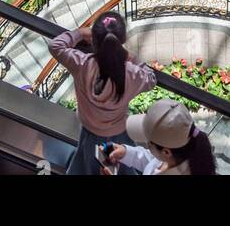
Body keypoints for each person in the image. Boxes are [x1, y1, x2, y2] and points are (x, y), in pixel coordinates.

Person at [47, 13, 156, 176]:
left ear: (93, 40)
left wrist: (80, 33)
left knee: (93, 167)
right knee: (119, 167)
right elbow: (151, 78)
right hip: (119, 135)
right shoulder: (132, 74)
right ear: (123, 40)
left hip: (90, 134)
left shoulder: (81, 64)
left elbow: (55, 46)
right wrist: (132, 58)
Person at [102, 99, 216, 176]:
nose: (147, 145)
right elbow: (154, 162)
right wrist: (126, 153)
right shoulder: (180, 156)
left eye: (148, 143)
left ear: (166, 151)